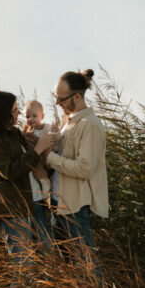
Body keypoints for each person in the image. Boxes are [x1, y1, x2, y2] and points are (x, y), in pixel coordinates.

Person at [35, 69, 108, 268]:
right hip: (57, 203)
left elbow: (85, 168)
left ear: (77, 96)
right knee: (69, 267)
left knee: (86, 266)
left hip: (74, 206)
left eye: (62, 99)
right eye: (56, 98)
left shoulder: (90, 125)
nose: (57, 103)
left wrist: (50, 157)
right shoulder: (67, 123)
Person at [0, 91, 56, 263]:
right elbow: (9, 171)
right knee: (23, 262)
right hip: (13, 208)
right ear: (2, 113)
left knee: (48, 256)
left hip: (36, 202)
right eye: (14, 110)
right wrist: (38, 149)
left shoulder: (14, 132)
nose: (19, 113)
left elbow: (32, 159)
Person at [21, 99, 57, 249]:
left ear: (42, 116)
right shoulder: (26, 132)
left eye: (34, 116)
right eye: (27, 116)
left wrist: (55, 133)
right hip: (34, 164)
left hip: (44, 160)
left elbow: (53, 142)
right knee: (40, 178)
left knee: (44, 181)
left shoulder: (47, 128)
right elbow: (27, 144)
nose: (31, 119)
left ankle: (46, 198)